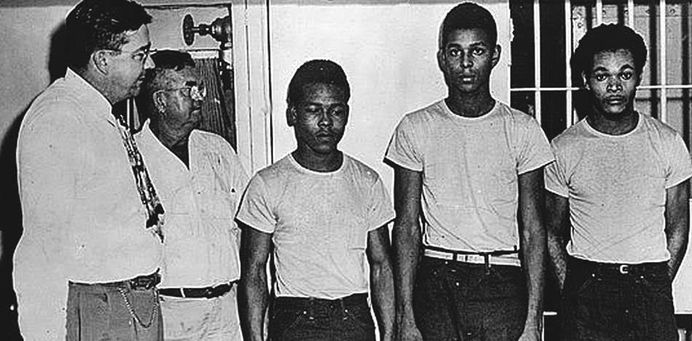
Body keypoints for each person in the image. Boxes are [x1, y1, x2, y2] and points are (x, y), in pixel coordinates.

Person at [385, 2, 552, 340]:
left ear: (494, 55)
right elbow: (406, 227)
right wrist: (405, 314)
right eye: (455, 52)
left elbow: (534, 229)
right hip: (436, 281)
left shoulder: (522, 129)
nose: (465, 63)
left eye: (476, 51)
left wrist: (534, 318)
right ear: (442, 58)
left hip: (503, 282)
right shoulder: (416, 127)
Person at [14, 0, 162, 339]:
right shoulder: (59, 118)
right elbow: (42, 247)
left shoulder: (100, 113)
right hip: (102, 310)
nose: (149, 65)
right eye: (139, 55)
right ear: (102, 60)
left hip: (131, 303)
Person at [545, 24, 692, 340]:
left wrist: (655, 283)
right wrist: (572, 289)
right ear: (585, 80)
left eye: (624, 74)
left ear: (638, 77)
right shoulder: (563, 147)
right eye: (602, 76)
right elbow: (551, 233)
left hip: (648, 287)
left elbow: (678, 227)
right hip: (587, 287)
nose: (614, 86)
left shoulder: (667, 142)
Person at [238, 59, 395, 341]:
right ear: (293, 114)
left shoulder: (367, 181)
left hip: (354, 319)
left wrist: (390, 334)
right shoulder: (267, 183)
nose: (325, 122)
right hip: (294, 320)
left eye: (336, 111)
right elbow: (254, 273)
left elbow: (382, 265)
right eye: (313, 110)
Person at [136, 50, 249, 340]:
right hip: (170, 313)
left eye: (200, 88)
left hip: (228, 310)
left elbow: (246, 227)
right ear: (160, 100)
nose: (199, 97)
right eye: (189, 90)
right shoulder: (134, 157)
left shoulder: (218, 149)